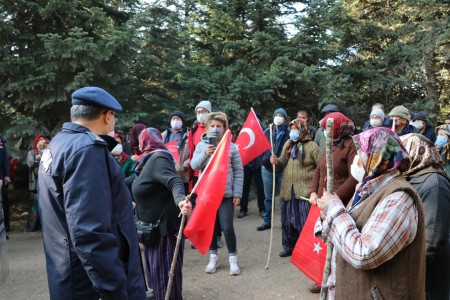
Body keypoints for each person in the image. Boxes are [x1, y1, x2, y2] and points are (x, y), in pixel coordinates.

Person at [38, 86, 147, 299]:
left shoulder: (59, 143)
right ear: (107, 116)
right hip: (90, 285)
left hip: (69, 275)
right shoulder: (86, 150)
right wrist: (113, 289)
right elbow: (88, 230)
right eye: (114, 117)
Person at [316, 127, 425, 299]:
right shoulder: (366, 189)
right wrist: (326, 216)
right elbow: (346, 232)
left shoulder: (399, 199)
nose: (355, 160)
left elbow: (365, 254)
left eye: (360, 153)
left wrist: (334, 210)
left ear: (377, 157)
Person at [131, 127, 191, 300]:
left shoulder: (159, 158)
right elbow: (139, 183)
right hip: (152, 232)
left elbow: (174, 181)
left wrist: (180, 200)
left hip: (163, 232)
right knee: (158, 277)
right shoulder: (144, 162)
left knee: (165, 278)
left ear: (144, 141)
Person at [308, 112, 358, 293]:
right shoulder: (329, 144)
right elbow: (318, 171)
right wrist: (313, 191)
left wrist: (333, 200)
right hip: (323, 202)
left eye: (327, 128)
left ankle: (339, 282)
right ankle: (323, 278)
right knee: (324, 241)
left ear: (337, 127)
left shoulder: (352, 146)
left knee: (339, 243)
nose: (324, 132)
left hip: (341, 203)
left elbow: (354, 178)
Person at [190, 112, 244, 275]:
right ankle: (213, 257)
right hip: (207, 194)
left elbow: (239, 171)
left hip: (225, 194)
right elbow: (194, 165)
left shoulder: (231, 147)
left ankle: (233, 259)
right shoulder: (201, 146)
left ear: (225, 128)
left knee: (227, 227)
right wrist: (205, 153)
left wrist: (237, 193)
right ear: (206, 128)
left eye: (218, 126)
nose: (215, 129)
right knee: (211, 227)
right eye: (212, 126)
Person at [400, 133, 450, 300]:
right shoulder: (414, 175)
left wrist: (410, 268)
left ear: (414, 152)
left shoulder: (434, 183)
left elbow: (433, 237)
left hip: (431, 268)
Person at [273, 118, 321, 257]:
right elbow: (281, 164)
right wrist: (276, 162)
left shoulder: (312, 146)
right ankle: (289, 247)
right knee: (287, 221)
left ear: (303, 130)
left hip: (304, 191)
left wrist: (317, 189)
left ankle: (306, 249)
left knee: (303, 222)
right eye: (292, 129)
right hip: (288, 190)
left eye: (296, 129)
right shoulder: (288, 144)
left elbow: (321, 166)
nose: (293, 132)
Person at [257, 108, 290, 231]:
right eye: (276, 115)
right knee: (268, 197)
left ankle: (285, 222)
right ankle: (267, 221)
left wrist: (280, 160)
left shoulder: (288, 132)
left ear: (285, 118)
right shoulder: (268, 131)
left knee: (284, 197)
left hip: (283, 169)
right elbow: (260, 147)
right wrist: (263, 160)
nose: (278, 117)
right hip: (267, 169)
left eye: (281, 115)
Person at [239, 112, 265, 218]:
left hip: (259, 164)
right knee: (244, 187)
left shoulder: (264, 131)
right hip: (247, 164)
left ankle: (262, 209)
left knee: (261, 188)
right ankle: (243, 209)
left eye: (256, 119)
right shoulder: (245, 131)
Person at [161, 111, 190, 194]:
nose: (175, 120)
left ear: (182, 121)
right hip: (165, 173)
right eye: (173, 118)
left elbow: (193, 153)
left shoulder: (188, 135)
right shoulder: (163, 135)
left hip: (182, 175)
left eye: (178, 119)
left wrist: (184, 166)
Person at [26, 134, 49, 231]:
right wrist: (39, 158)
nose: (41, 142)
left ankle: (44, 226)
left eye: (43, 140)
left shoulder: (48, 152)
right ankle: (32, 226)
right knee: (35, 206)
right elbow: (30, 164)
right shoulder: (31, 152)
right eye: (39, 140)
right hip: (36, 183)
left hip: (47, 182)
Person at [0, 135, 11, 234]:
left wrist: (6, 174)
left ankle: (4, 228)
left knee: (3, 203)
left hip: (1, 177)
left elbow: (3, 157)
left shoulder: (0, 139)